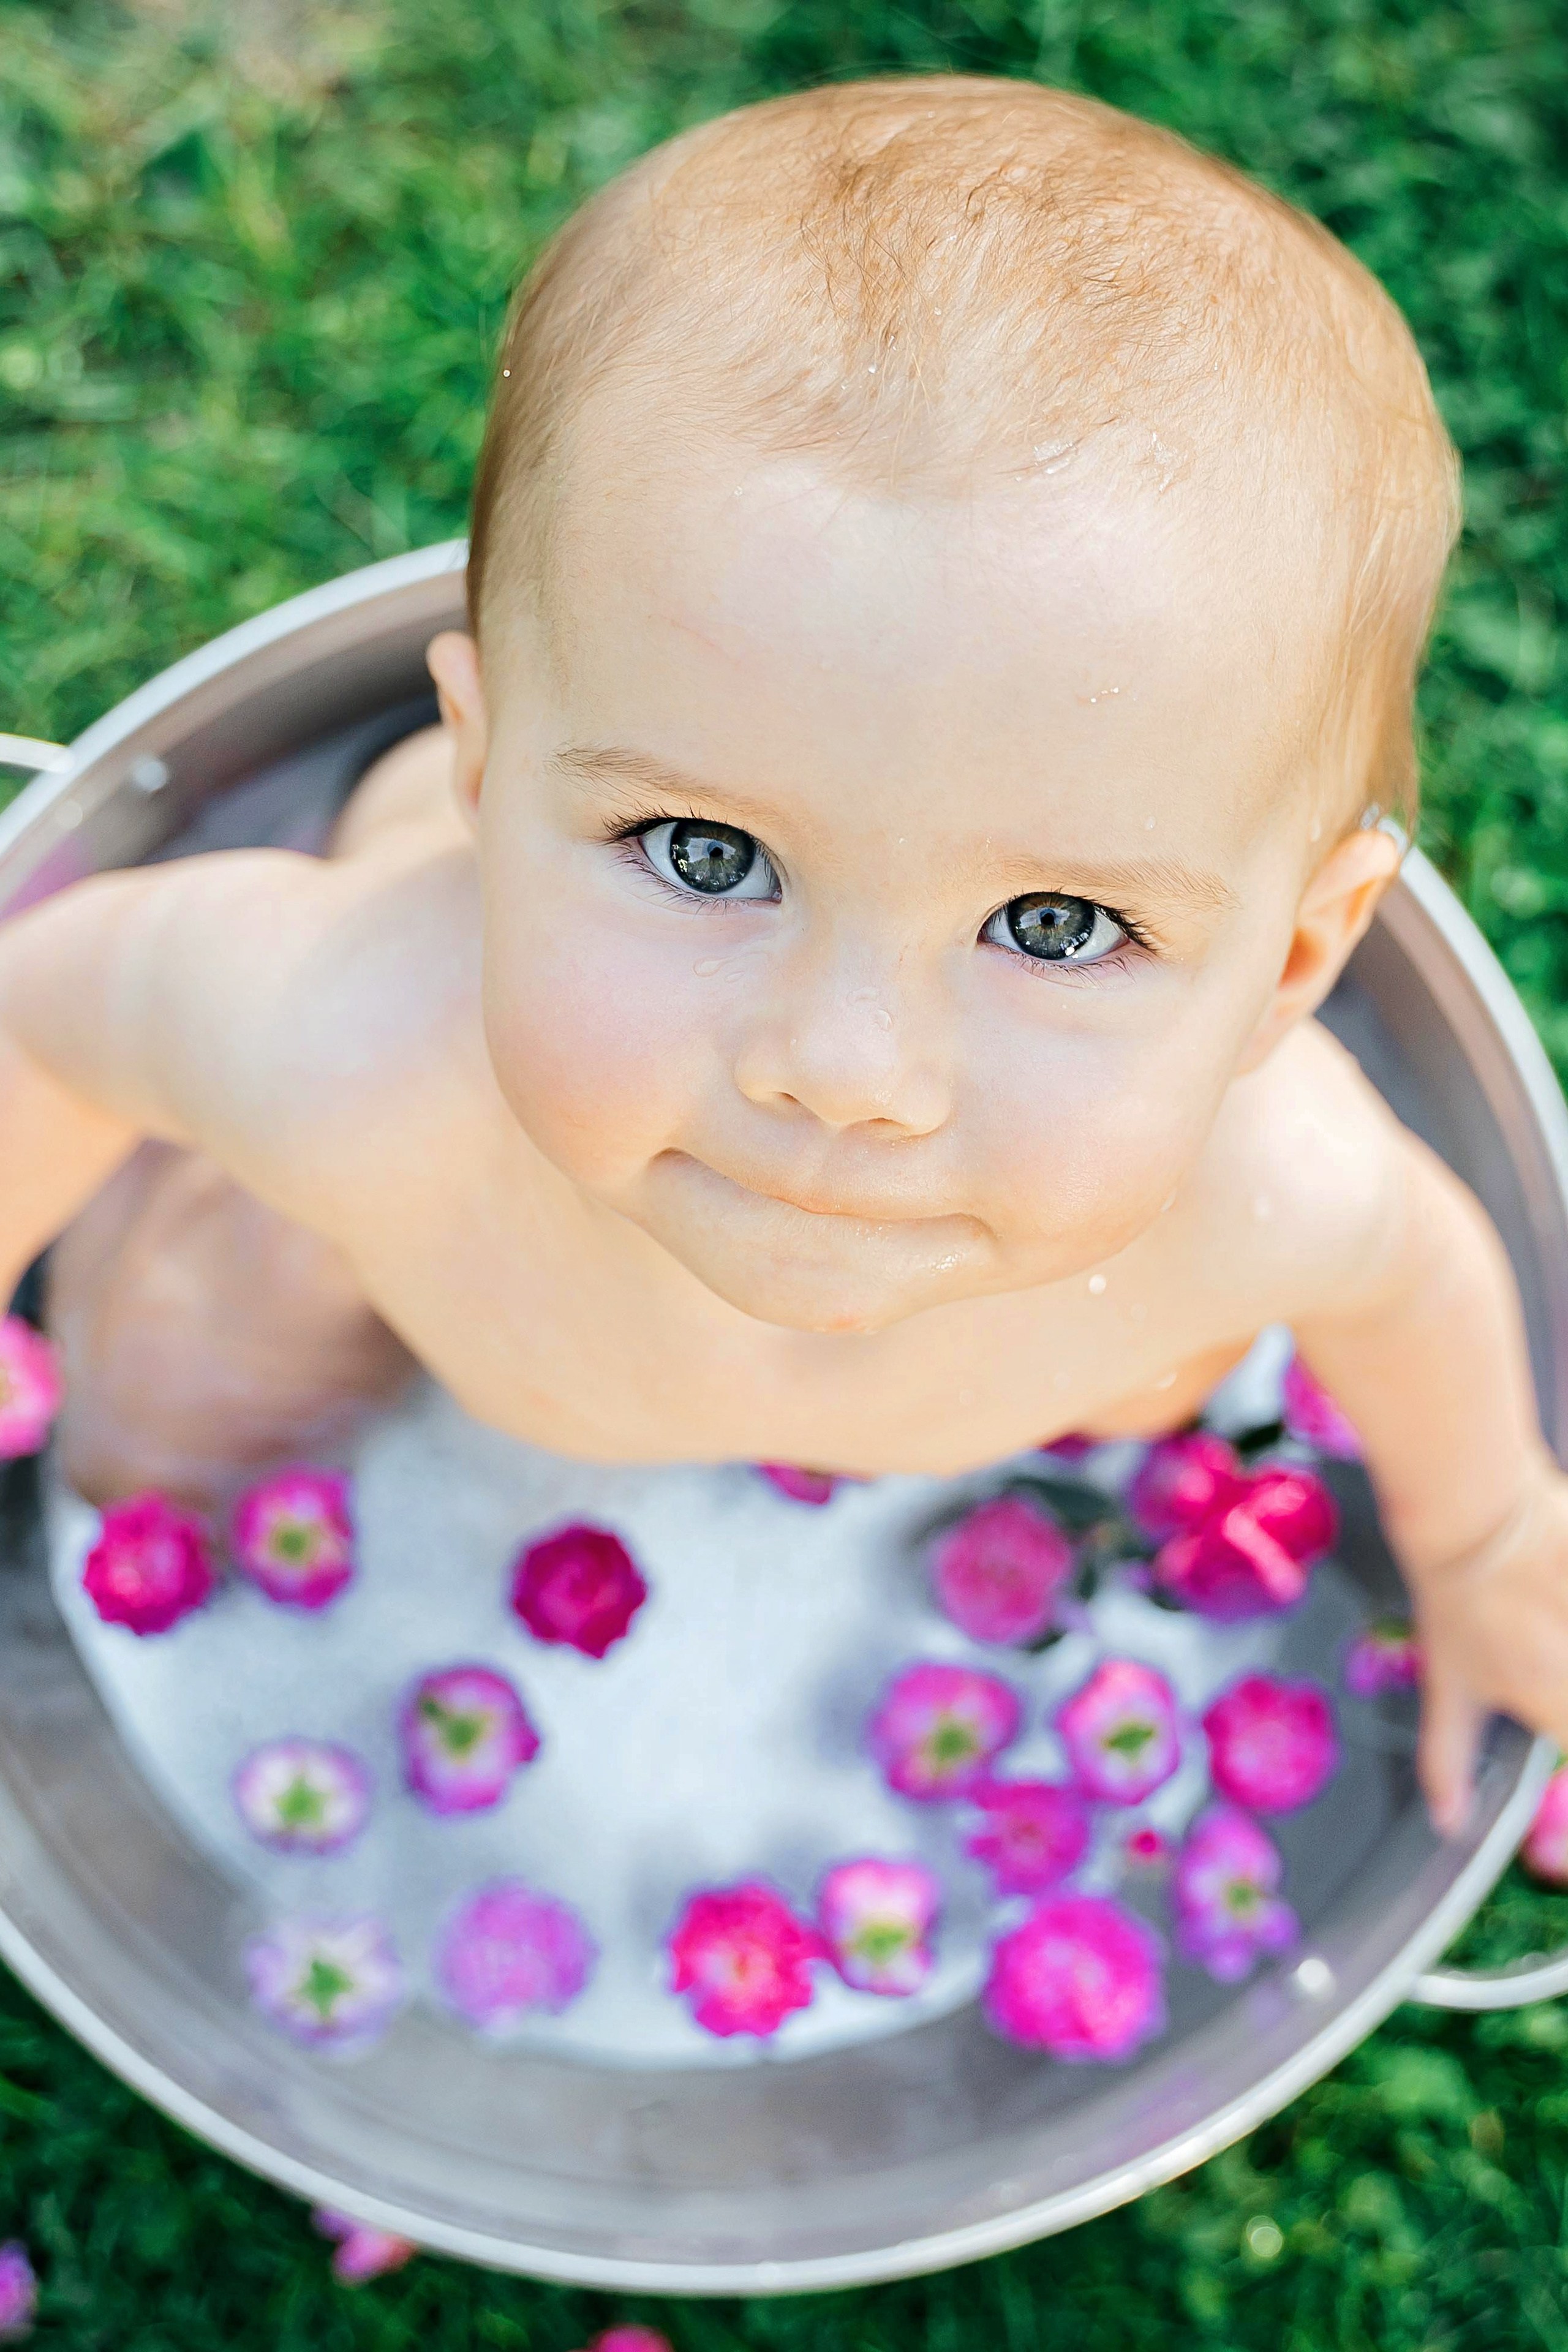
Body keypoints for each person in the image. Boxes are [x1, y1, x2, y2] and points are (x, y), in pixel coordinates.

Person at [0, 77, 1560, 1834]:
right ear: (492, 771)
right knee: (173, 1379)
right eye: (707, 853)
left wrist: (1488, 1531)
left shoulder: (1267, 1186)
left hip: (932, 1327)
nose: (847, 1069)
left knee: (1160, 1369)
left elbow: (1411, 1278)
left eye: (1055, 928)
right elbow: (43, 1014)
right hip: (435, 1209)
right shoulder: (353, 1047)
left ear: (1287, 965)